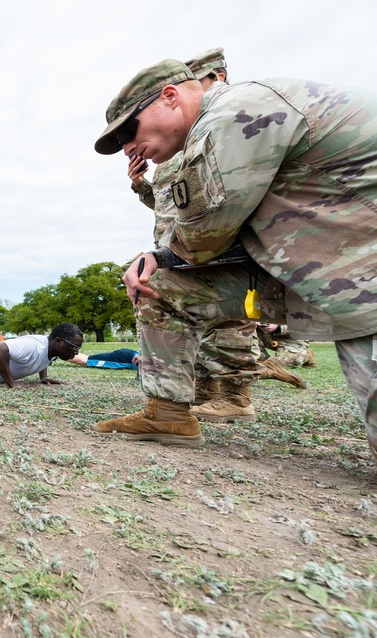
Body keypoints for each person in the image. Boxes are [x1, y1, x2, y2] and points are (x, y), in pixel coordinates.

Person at [92, 58, 377, 453]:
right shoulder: (212, 127)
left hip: (361, 271)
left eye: (127, 130)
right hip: (328, 268)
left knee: (157, 273)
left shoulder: (234, 113)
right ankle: (168, 414)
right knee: (162, 287)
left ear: (171, 97)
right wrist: (163, 255)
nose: (126, 147)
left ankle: (227, 394)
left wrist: (160, 254)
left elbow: (208, 231)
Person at [124, 48, 305, 422]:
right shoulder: (175, 150)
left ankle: (234, 396)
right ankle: (206, 391)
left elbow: (220, 212)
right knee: (197, 317)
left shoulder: (226, 125)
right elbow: (169, 206)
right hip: (183, 245)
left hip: (218, 250)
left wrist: (165, 257)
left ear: (214, 78)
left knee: (228, 324)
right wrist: (142, 186)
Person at [69, 348, 139, 369]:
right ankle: (60, 351)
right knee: (86, 361)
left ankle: (60, 351)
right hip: (126, 360)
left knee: (88, 359)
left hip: (128, 356)